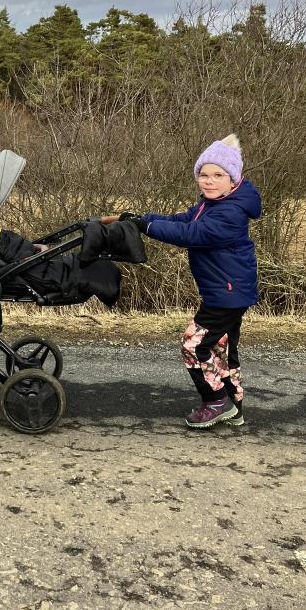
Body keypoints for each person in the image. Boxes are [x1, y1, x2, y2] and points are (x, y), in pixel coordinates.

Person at [101, 134, 261, 428]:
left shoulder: (230, 212)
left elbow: (190, 235)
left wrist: (146, 226)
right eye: (204, 174)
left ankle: (215, 401)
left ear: (233, 180)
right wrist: (141, 218)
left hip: (228, 293)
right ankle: (233, 405)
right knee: (220, 348)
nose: (209, 181)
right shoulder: (211, 204)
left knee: (193, 344)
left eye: (218, 175)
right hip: (227, 291)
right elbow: (182, 221)